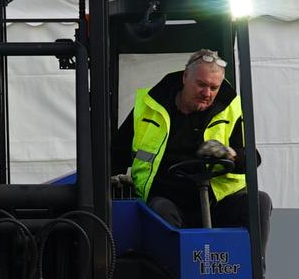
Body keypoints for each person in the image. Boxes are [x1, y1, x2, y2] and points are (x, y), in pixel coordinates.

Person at [114, 49, 271, 247]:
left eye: (214, 88)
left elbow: (252, 158)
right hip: (169, 200)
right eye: (201, 85)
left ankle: (254, 273)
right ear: (185, 77)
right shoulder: (149, 108)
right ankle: (169, 274)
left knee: (259, 202)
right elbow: (115, 155)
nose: (207, 93)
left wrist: (230, 154)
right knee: (158, 209)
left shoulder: (231, 108)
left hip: (217, 203)